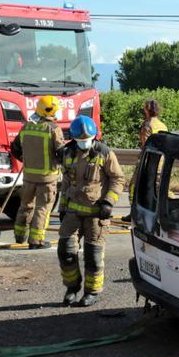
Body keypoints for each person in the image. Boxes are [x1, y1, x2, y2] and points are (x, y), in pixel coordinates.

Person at [57, 116, 125, 306]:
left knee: (93, 257)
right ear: (74, 138)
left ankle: (92, 292)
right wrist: (62, 207)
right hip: (72, 213)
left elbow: (118, 179)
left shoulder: (104, 153)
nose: (84, 142)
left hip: (96, 215)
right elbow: (66, 183)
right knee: (66, 252)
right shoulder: (68, 153)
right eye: (80, 140)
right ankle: (72, 288)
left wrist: (108, 202)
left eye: (88, 138)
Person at [10, 95, 64, 249]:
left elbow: (15, 149)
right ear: (51, 111)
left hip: (28, 177)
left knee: (25, 205)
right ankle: (36, 241)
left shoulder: (27, 126)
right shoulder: (53, 129)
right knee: (42, 209)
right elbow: (60, 153)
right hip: (47, 178)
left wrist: (27, 160)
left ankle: (19, 236)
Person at [123, 99, 167, 221]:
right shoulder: (162, 125)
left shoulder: (147, 124)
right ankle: (156, 213)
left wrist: (141, 162)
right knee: (156, 189)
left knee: (133, 186)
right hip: (161, 162)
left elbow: (145, 144)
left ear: (147, 110)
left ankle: (134, 213)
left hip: (148, 161)